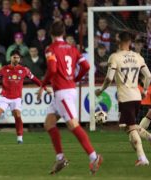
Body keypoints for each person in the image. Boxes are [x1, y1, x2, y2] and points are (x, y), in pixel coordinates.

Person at [36, 21, 102, 175]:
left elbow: (52, 69)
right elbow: (86, 66)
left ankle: (94, 156)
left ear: (51, 34)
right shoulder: (73, 48)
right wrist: (75, 78)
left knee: (73, 125)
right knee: (49, 124)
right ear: (63, 33)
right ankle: (60, 158)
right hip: (66, 89)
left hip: (63, 92)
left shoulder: (50, 49)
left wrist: (42, 85)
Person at [95, 31, 151, 166]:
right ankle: (150, 137)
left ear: (119, 42)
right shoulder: (138, 57)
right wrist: (145, 91)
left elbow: (108, 78)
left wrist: (100, 90)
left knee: (130, 128)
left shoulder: (115, 57)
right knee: (126, 126)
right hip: (136, 96)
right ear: (130, 43)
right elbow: (148, 76)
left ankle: (142, 157)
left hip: (125, 97)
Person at [0, 49, 49, 144]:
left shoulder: (24, 70)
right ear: (10, 58)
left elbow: (35, 80)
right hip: (4, 97)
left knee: (17, 115)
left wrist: (44, 88)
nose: (16, 59)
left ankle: (20, 138)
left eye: (18, 57)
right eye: (14, 57)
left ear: (20, 59)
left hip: (16, 98)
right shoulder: (4, 69)